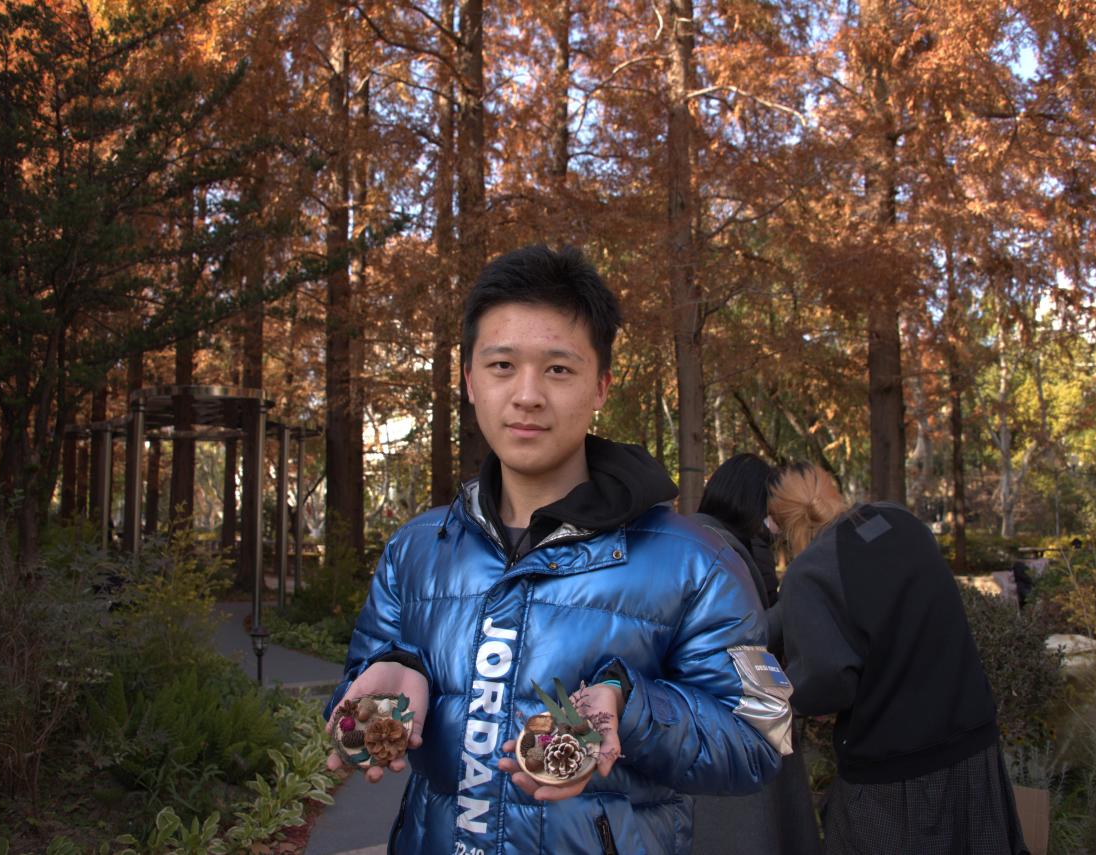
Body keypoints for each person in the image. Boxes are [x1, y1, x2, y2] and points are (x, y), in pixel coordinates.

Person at [324, 245, 787, 855]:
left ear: (601, 386)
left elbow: (759, 736)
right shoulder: (416, 550)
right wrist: (386, 678)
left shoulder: (695, 563)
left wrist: (630, 709)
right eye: (502, 365)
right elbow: (359, 689)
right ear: (469, 381)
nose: (527, 395)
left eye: (559, 370)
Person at [767, 463, 1029, 855]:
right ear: (832, 489)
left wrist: (787, 693)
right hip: (972, 741)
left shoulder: (809, 572)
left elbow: (826, 680)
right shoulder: (901, 521)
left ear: (782, 526)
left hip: (893, 771)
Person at [691, 454, 822, 855]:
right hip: (731, 721)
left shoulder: (701, 538)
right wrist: (792, 604)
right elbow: (739, 638)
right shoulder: (720, 552)